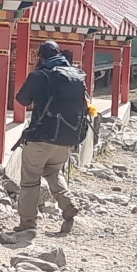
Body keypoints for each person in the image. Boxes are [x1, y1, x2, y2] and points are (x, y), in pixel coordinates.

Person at [13, 40, 92, 235]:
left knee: (30, 180)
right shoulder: (75, 76)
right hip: (65, 139)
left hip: (40, 137)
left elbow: (22, 99)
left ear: (40, 57)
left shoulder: (39, 76)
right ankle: (68, 203)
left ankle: (28, 223)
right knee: (53, 171)